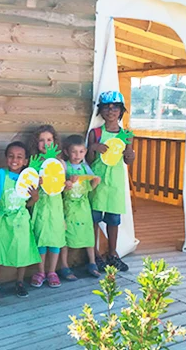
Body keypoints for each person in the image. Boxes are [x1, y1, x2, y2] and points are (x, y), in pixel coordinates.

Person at [0, 141, 42, 298]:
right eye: (11, 156)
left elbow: (29, 203)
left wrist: (35, 198)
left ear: (25, 161)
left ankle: (20, 281)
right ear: (6, 158)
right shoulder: (2, 174)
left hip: (20, 220)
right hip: (2, 218)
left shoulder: (29, 178)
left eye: (19, 157)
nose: (14, 160)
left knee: (21, 250)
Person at [87, 91, 135, 272]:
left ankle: (112, 253)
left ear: (121, 110)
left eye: (115, 107)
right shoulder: (96, 133)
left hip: (115, 183)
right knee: (94, 218)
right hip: (98, 183)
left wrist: (131, 155)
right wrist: (93, 148)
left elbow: (128, 160)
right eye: (106, 107)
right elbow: (89, 161)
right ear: (100, 110)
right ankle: (95, 254)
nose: (111, 110)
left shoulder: (126, 134)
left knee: (114, 219)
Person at [29, 125, 69, 288]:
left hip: (55, 206)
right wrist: (36, 184)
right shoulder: (35, 163)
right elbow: (29, 186)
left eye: (49, 140)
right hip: (40, 206)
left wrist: (67, 184)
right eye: (41, 140)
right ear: (36, 143)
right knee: (41, 238)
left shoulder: (60, 163)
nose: (46, 143)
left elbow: (62, 184)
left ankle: (52, 271)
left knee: (55, 238)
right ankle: (40, 271)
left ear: (55, 142)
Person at [59, 135, 101, 281]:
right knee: (66, 235)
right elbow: (60, 187)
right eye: (74, 152)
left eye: (81, 152)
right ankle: (64, 265)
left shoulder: (85, 167)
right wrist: (67, 183)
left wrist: (95, 182)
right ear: (66, 152)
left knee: (88, 233)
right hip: (69, 206)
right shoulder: (64, 166)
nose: (78, 155)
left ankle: (92, 262)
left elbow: (89, 187)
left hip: (83, 206)